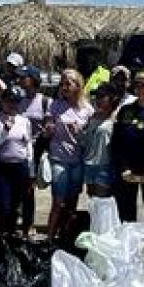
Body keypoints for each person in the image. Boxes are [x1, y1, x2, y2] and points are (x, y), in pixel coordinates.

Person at [45, 69, 94, 238]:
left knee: (72, 201)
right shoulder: (55, 105)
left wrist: (80, 131)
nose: (64, 87)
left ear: (77, 86)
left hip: (77, 159)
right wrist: (49, 129)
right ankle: (50, 237)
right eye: (62, 83)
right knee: (58, 201)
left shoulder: (87, 109)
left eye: (68, 83)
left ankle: (66, 235)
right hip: (59, 158)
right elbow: (47, 129)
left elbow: (89, 138)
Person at [0, 86, 35, 238]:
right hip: (1, 167)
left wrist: (31, 171)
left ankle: (11, 236)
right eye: (9, 101)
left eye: (15, 102)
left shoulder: (24, 121)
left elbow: (28, 146)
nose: (12, 105)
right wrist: (4, 131)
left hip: (20, 166)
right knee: (2, 206)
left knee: (15, 207)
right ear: (2, 101)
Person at [112, 72, 144, 221]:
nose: (140, 89)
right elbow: (118, 141)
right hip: (129, 169)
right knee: (126, 211)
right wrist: (123, 168)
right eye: (137, 85)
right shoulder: (126, 110)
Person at [14, 66, 50, 231]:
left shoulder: (45, 102)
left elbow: (49, 124)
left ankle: (27, 225)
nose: (21, 80)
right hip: (19, 149)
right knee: (19, 188)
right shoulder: (18, 101)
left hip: (36, 149)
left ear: (33, 80)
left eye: (24, 77)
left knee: (29, 188)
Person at [80, 84, 120, 201]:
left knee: (102, 202)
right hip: (89, 164)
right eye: (96, 96)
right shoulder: (93, 116)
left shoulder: (116, 118)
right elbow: (85, 140)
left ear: (112, 98)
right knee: (92, 202)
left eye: (102, 96)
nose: (98, 99)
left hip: (104, 166)